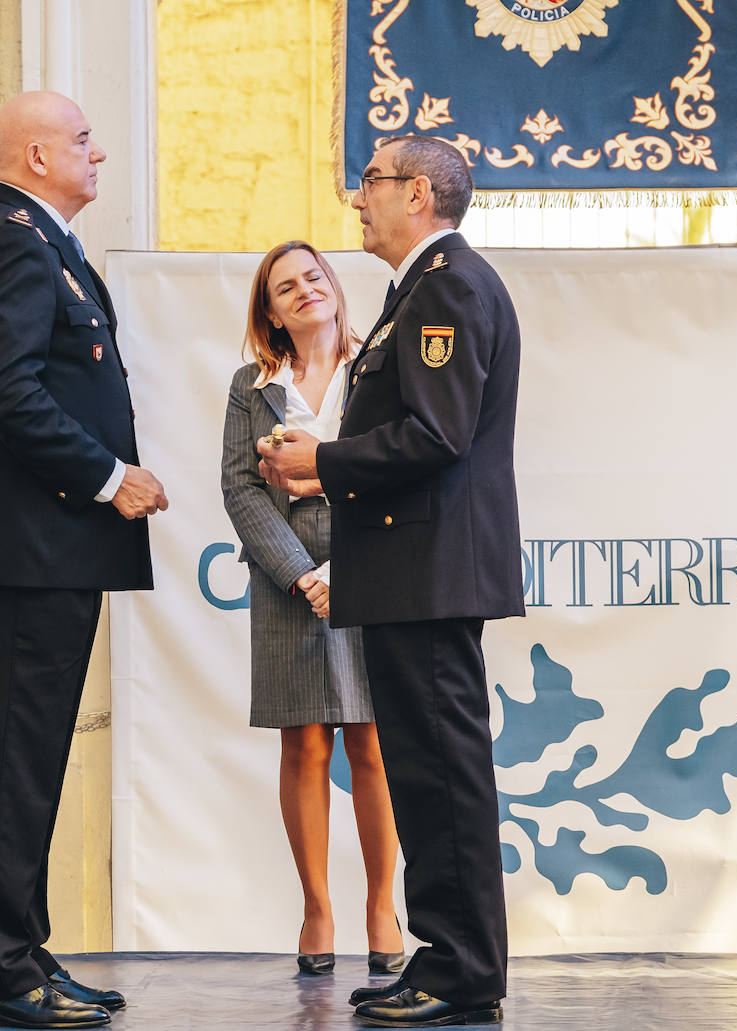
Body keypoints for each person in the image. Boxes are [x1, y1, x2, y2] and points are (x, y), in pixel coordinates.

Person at [256, 135, 522, 1027]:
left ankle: (462, 969)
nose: (356, 197)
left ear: (416, 193)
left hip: (433, 570)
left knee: (442, 773)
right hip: (417, 569)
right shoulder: (420, 287)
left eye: (369, 182)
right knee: (427, 770)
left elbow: (438, 435)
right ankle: (446, 956)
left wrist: (323, 459)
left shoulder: (445, 283)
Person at [0, 91, 168, 1030]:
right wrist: (110, 475)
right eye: (82, 139)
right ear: (36, 156)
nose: (99, 151)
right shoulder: (9, 242)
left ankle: (19, 952)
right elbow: (7, 393)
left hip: (49, 553)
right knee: (11, 765)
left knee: (29, 762)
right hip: (28, 554)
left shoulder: (40, 242)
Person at [220, 241, 406, 979]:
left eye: (313, 277)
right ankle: (318, 909)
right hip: (285, 580)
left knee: (372, 742)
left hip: (371, 568)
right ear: (270, 310)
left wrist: (347, 568)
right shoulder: (251, 386)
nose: (303, 291)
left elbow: (397, 468)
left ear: (333, 287)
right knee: (305, 745)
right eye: (284, 287)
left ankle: (382, 906)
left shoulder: (378, 369)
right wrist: (304, 575)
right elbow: (240, 489)